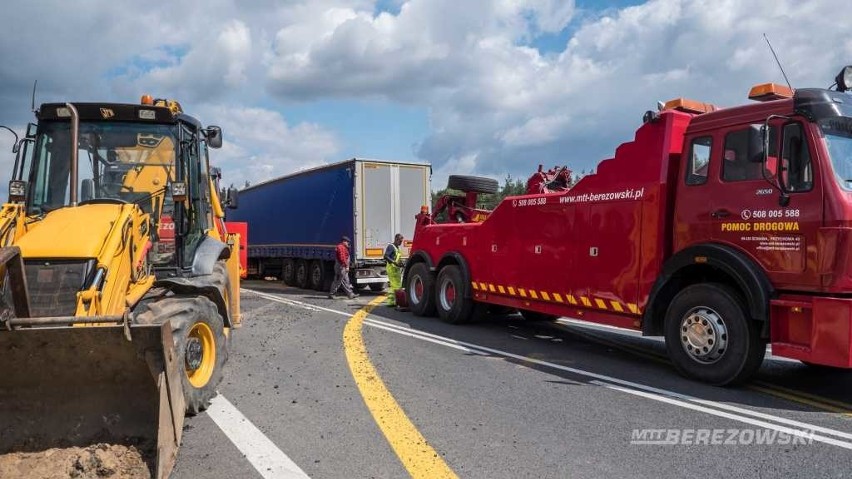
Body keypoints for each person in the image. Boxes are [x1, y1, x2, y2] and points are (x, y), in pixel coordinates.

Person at [383, 233, 405, 306]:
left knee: (397, 285)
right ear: (396, 239)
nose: (400, 243)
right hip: (392, 268)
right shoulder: (391, 246)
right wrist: (394, 263)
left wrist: (401, 263)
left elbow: (396, 257)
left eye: (401, 241)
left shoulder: (396, 247)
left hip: (396, 269)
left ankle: (393, 301)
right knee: (395, 285)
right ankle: (391, 301)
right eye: (400, 241)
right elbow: (386, 256)